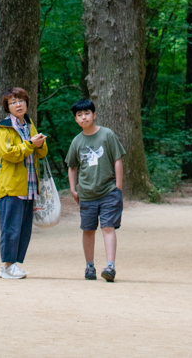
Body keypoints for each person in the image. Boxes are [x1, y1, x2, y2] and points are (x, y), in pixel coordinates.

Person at [66, 97, 125, 282]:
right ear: (75, 119)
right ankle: (89, 266)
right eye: (79, 115)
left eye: (87, 113)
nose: (84, 117)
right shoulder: (77, 141)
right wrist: (73, 189)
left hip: (108, 191)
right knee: (88, 229)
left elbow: (117, 159)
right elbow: (72, 166)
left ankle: (110, 266)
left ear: (94, 115)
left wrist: (118, 187)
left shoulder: (107, 135)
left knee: (108, 227)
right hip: (86, 193)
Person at [0, 86, 48, 280]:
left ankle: (13, 265)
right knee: (11, 227)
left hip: (29, 185)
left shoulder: (29, 124)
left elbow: (41, 153)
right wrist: (31, 144)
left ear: (26, 103)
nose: (18, 105)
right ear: (7, 107)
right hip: (12, 186)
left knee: (24, 229)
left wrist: (40, 143)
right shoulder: (3, 128)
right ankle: (6, 266)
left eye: (21, 101)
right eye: (13, 102)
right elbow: (9, 154)